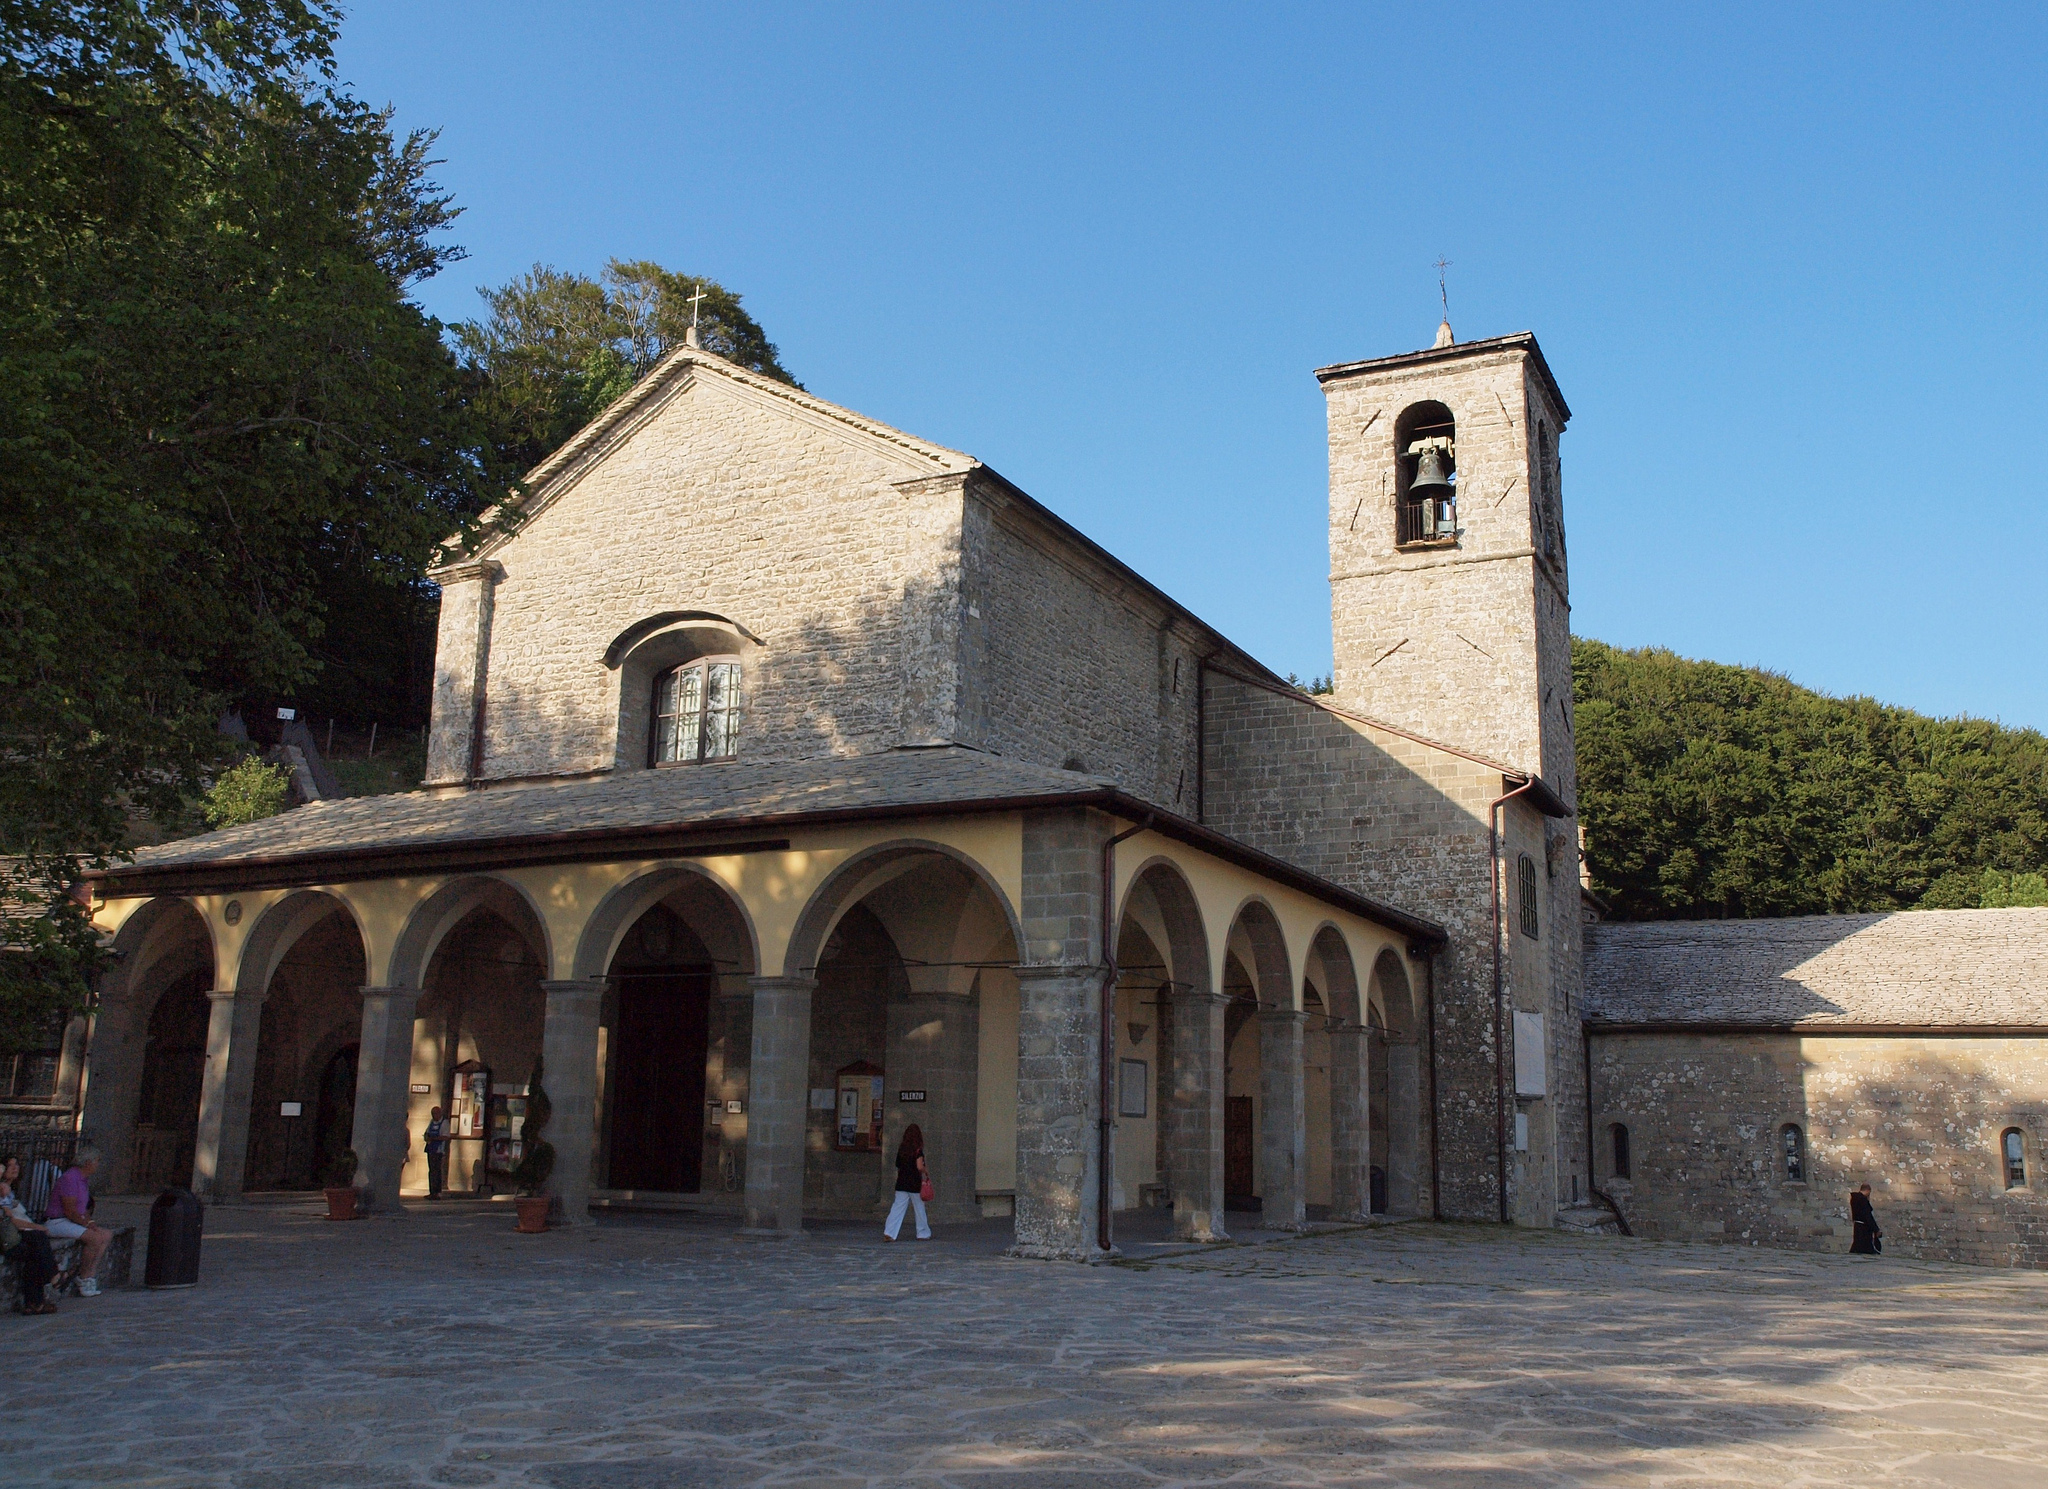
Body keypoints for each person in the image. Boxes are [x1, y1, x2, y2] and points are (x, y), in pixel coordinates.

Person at [44, 1144, 112, 1296]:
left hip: (71, 1220)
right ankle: (83, 1276)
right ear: (88, 1162)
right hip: (57, 1220)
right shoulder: (70, 1178)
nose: (98, 1165)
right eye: (97, 1161)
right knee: (93, 1238)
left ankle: (90, 1275)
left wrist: (90, 1223)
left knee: (105, 1235)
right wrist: (86, 1225)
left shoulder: (82, 1180)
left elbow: (82, 1208)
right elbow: (70, 1210)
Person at [1, 1157, 61, 1314]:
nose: (14, 1168)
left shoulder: (9, 1190)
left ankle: (34, 1303)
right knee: (37, 1240)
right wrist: (35, 1226)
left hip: (15, 1235)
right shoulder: (3, 1191)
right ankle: (53, 1277)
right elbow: (11, 1220)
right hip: (7, 1239)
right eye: (9, 1166)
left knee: (35, 1252)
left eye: (16, 1164)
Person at [883, 1123, 932, 1242]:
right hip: (914, 1183)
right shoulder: (918, 1151)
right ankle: (923, 1233)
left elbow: (898, 1165)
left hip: (901, 1182)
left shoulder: (902, 1149)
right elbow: (919, 1166)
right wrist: (926, 1171)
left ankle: (889, 1232)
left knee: (897, 1208)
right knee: (919, 1208)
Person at [424, 1106, 450, 1200]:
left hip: (438, 1150)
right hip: (430, 1149)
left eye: (435, 1113)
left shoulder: (444, 1123)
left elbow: (446, 1136)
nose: (434, 1116)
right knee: (431, 1171)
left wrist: (434, 1138)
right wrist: (426, 1137)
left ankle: (437, 1192)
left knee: (437, 1171)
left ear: (440, 1113)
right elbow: (427, 1132)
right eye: (432, 1114)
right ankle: (432, 1191)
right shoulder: (431, 1122)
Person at [1849, 1182, 1882, 1255]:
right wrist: (1875, 1229)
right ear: (1868, 1191)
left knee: (1858, 1242)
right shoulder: (1863, 1200)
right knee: (1864, 1244)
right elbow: (1867, 1216)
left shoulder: (1854, 1199)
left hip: (1857, 1224)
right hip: (1864, 1226)